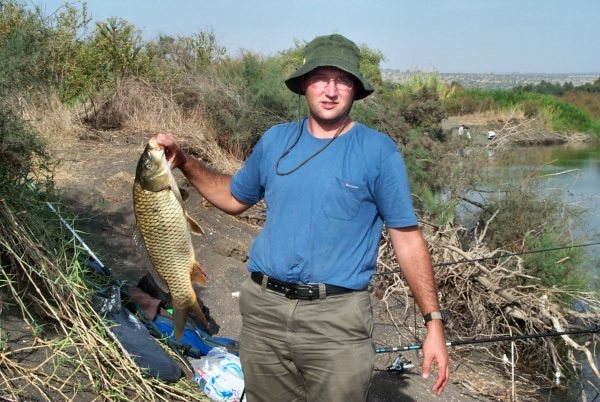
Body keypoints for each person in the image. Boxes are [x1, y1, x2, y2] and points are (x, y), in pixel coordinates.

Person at [157, 34, 449, 401]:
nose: (330, 90)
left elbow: (407, 241)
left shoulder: (378, 152)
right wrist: (183, 162)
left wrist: (433, 323)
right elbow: (233, 197)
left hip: (337, 320)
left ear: (355, 89)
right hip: (264, 312)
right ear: (304, 84)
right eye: (320, 78)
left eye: (342, 79)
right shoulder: (276, 141)